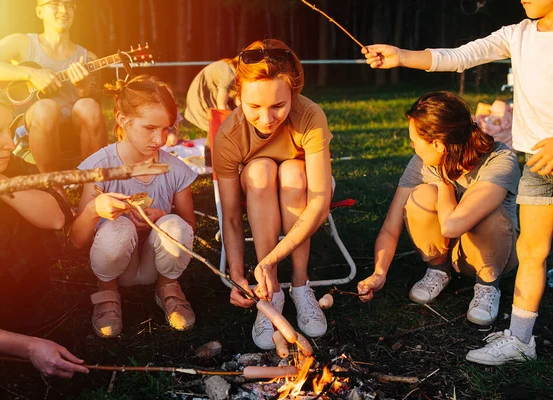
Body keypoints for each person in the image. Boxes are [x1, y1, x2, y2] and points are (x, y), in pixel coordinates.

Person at [362, 0, 553, 365]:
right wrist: (401, 55)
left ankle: (496, 296)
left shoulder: (497, 159)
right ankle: (520, 339)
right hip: (539, 164)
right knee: (533, 253)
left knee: (514, 234)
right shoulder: (519, 35)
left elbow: (451, 221)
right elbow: (461, 55)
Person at [0, 71, 88, 378]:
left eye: (9, 129)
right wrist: (28, 347)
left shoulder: (7, 167)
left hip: (19, 304)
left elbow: (56, 216)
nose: (10, 144)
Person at [357, 91, 520, 325]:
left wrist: (442, 184)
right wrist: (379, 272)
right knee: (420, 196)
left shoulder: (500, 159)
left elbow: (452, 225)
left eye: (415, 140)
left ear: (438, 144)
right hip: (452, 250)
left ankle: (487, 286)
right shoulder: (423, 162)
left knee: (489, 214)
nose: (412, 145)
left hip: (496, 254)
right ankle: (438, 270)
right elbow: (391, 224)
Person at [213, 39, 332, 350]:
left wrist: (267, 259)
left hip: (305, 186)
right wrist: (237, 274)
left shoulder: (310, 115)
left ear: (293, 93)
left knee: (292, 172)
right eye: (254, 107)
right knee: (260, 170)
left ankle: (301, 285)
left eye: (278, 106)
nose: (267, 119)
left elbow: (320, 203)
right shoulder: (228, 135)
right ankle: (272, 292)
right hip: (258, 186)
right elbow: (230, 216)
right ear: (238, 97)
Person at [71, 75, 198, 338]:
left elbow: (190, 230)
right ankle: (107, 290)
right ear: (122, 120)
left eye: (166, 129)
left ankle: (168, 287)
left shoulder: (175, 170)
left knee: (175, 225)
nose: (160, 139)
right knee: (118, 229)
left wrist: (164, 217)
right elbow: (77, 241)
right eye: (150, 128)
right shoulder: (100, 166)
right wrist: (94, 209)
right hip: (116, 263)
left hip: (159, 263)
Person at [0, 0, 107, 173]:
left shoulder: (88, 57)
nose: (63, 9)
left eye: (69, 4)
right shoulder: (23, 43)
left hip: (73, 130)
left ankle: (94, 182)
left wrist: (83, 88)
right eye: (54, 3)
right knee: (45, 108)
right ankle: (52, 186)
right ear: (39, 11)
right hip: (35, 126)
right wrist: (31, 74)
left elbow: (95, 109)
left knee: (89, 106)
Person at [184, 56, 240, 165]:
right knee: (216, 127)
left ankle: (214, 158)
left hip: (206, 95)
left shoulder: (229, 69)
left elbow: (238, 100)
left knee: (218, 127)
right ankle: (211, 160)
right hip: (202, 97)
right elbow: (221, 104)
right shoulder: (230, 72)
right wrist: (225, 122)